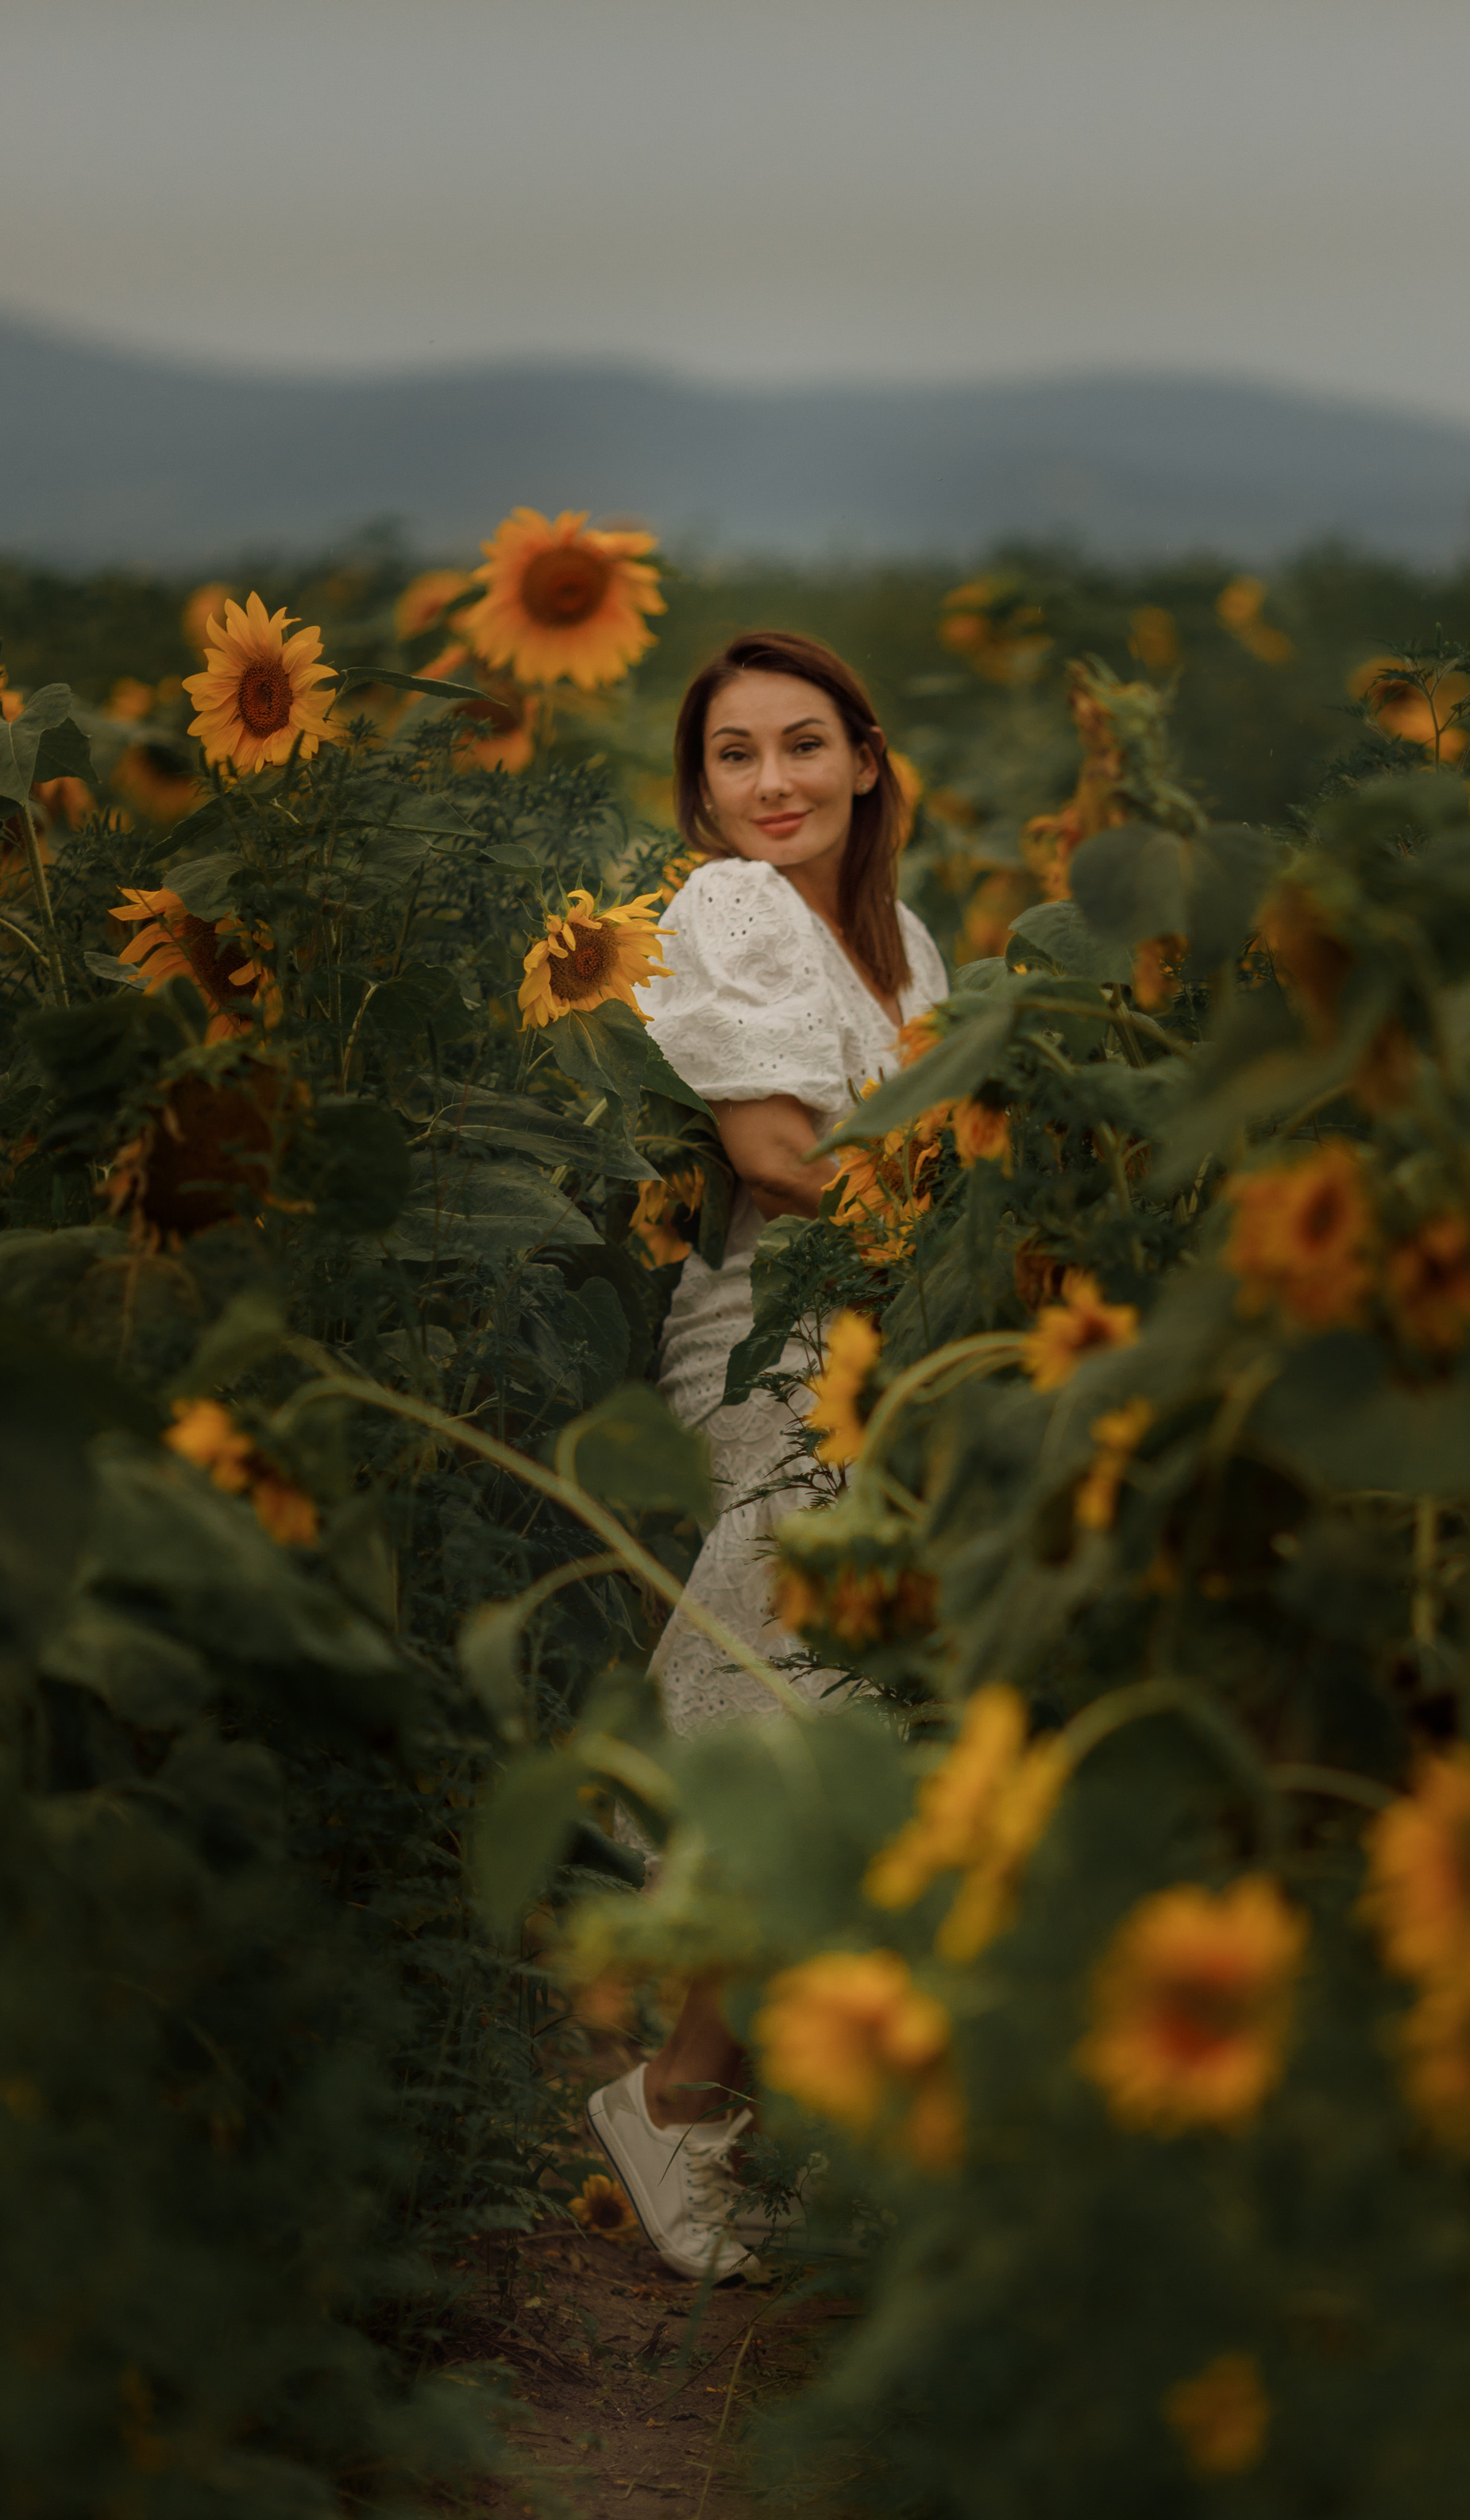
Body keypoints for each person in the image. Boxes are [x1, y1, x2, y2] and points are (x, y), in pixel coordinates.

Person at [585, 630, 948, 2279]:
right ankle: (675, 2099)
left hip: (902, 1342)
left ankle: (800, 2101)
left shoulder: (903, 947)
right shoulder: (727, 910)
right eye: (736, 756)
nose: (772, 786)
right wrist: (984, 1223)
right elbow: (782, 1158)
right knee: (792, 1705)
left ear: (865, 761)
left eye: (802, 748)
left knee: (876, 1714)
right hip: (779, 1341)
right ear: (703, 782)